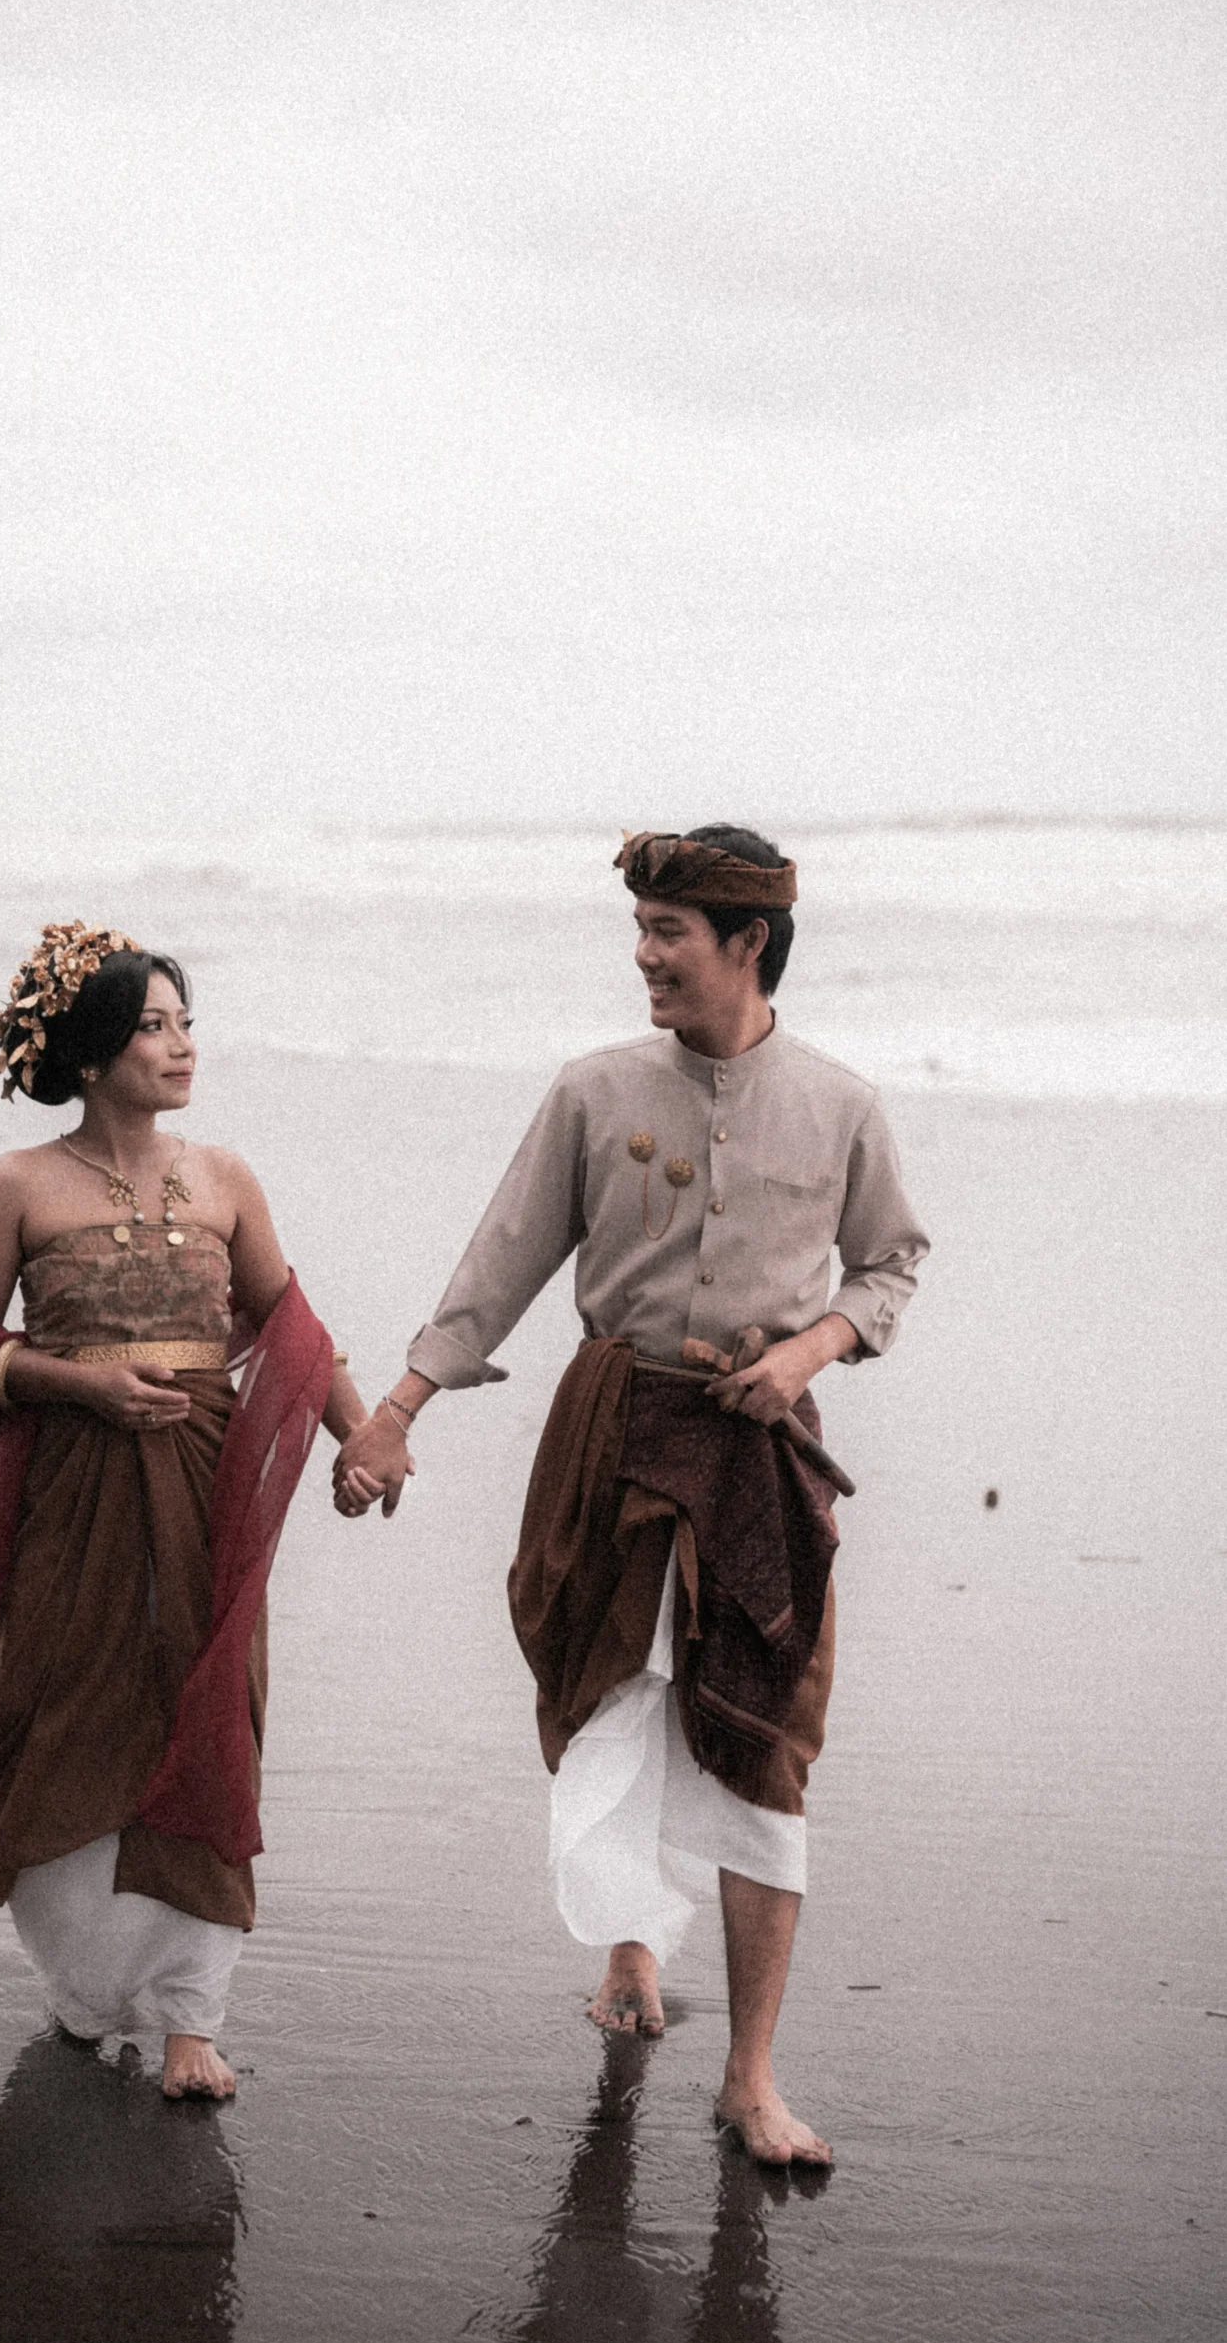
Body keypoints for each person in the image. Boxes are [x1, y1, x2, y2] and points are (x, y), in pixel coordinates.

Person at [332, 828, 928, 2165]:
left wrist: (811, 1349)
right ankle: (626, 1948)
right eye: (640, 930)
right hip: (612, 1435)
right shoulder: (592, 1091)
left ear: (747, 942)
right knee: (603, 1691)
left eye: (670, 932)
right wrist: (395, 1411)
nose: (645, 956)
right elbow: (499, 1264)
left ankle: (750, 2079)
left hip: (759, 1458)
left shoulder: (840, 1105)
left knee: (766, 1734)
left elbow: (889, 1263)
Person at [0, 923, 371, 2101]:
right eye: (153, 1025)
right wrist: (79, 1382)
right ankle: (84, 1980)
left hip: (202, 1479)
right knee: (60, 1707)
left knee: (209, 1704)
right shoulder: (16, 1184)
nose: (182, 1045)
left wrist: (363, 1436)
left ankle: (192, 2011)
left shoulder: (226, 1177)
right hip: (68, 1486)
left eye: (187, 1022)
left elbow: (290, 1323)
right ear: (90, 1054)